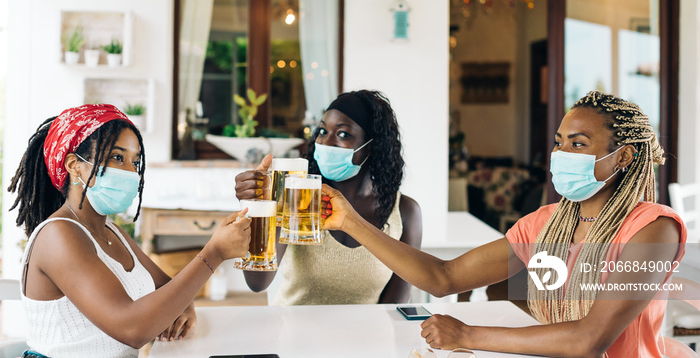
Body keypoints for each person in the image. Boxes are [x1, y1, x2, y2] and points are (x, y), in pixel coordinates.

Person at [320, 91, 686, 357]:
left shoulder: (654, 230)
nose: (560, 154)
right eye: (559, 143)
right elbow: (444, 278)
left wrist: (466, 334)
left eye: (578, 144)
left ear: (623, 156)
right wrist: (350, 221)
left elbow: (589, 340)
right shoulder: (543, 225)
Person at [9, 104, 251, 358]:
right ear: (74, 165)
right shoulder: (58, 236)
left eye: (135, 161)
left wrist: (185, 305)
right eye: (117, 157)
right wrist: (213, 254)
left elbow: (166, 288)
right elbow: (132, 329)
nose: (130, 172)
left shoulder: (111, 231)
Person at [235, 90, 422, 305]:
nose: (325, 142)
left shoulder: (405, 212)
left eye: (343, 134)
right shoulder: (299, 199)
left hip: (365, 337)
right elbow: (257, 283)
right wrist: (266, 207)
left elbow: (393, 306)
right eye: (322, 131)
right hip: (292, 334)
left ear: (372, 145)